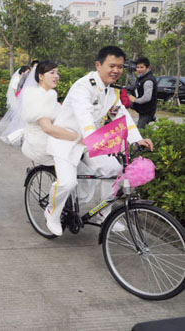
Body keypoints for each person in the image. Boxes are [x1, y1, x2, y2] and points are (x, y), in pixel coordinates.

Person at [44, 46, 154, 236]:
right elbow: (84, 116)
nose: (116, 71)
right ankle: (51, 212)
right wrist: (96, 139)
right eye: (112, 65)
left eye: (120, 67)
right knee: (67, 183)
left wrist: (137, 139)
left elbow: (122, 116)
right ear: (98, 65)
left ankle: (104, 215)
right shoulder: (83, 86)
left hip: (89, 143)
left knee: (114, 170)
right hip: (66, 141)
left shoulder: (112, 91)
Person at [21, 61, 78, 165]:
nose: (56, 76)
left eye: (58, 73)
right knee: (82, 148)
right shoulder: (37, 95)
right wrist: (76, 137)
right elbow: (47, 127)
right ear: (41, 76)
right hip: (41, 143)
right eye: (52, 73)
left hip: (50, 137)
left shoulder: (50, 94)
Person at [128, 57, 158, 129]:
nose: (139, 69)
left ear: (148, 68)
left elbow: (147, 98)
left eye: (142, 67)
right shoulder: (142, 77)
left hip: (147, 110)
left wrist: (135, 100)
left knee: (140, 130)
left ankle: (150, 117)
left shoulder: (148, 81)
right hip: (141, 107)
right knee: (123, 100)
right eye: (137, 67)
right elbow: (135, 83)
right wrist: (130, 73)